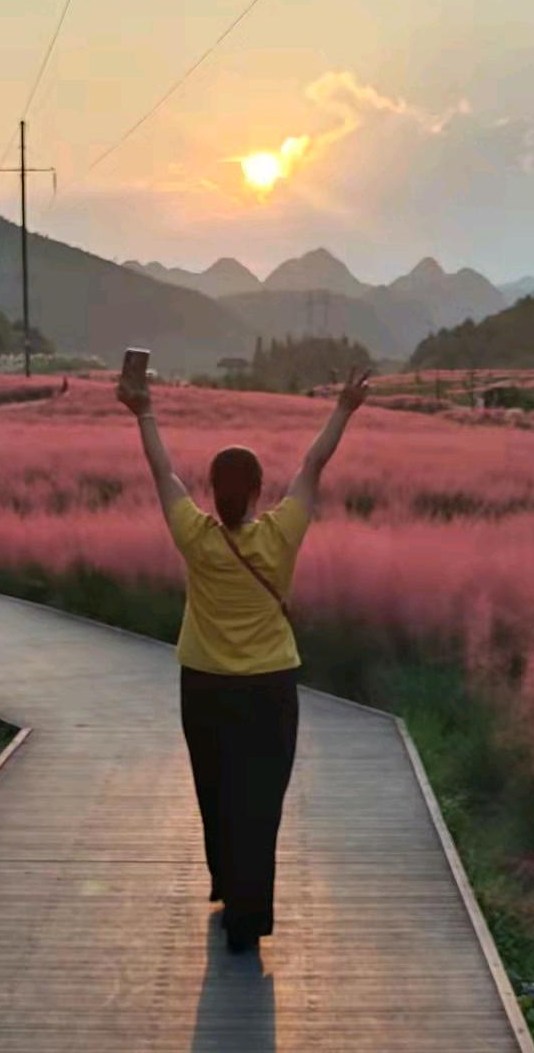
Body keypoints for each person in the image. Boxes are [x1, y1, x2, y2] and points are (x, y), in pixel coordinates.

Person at [116, 364, 371, 954]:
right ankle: (248, 916)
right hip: (270, 689)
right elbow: (313, 466)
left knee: (216, 789)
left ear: (211, 489)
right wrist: (345, 408)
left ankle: (228, 885)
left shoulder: (196, 536)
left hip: (204, 685)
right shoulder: (280, 535)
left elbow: (162, 472)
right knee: (261, 800)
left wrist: (144, 410)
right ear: (259, 491)